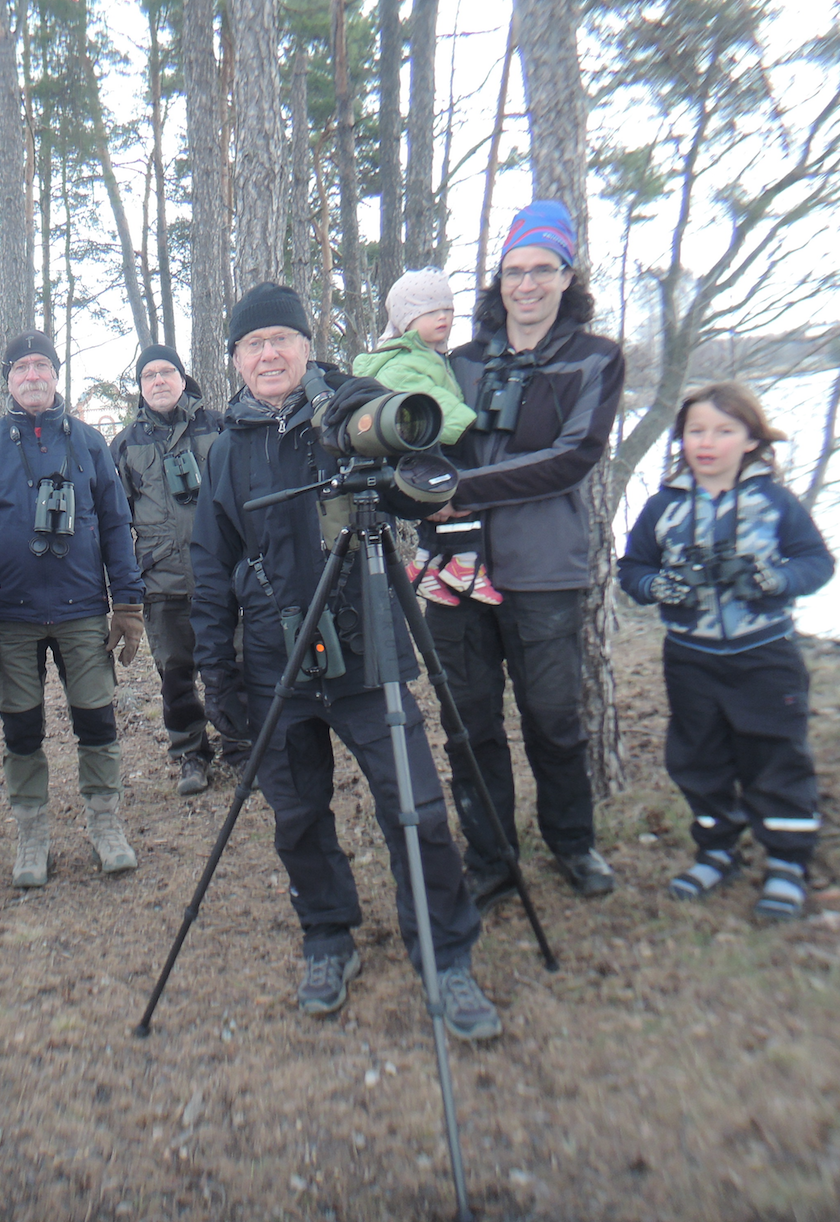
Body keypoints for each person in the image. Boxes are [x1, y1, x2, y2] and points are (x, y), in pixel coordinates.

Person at [191, 282, 498, 1039]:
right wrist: (217, 672)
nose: (268, 354)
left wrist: (382, 432)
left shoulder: (350, 409)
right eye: (252, 345)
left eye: (281, 341)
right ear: (234, 359)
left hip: (366, 647)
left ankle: (444, 956)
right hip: (274, 659)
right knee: (296, 816)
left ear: (305, 347)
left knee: (416, 809)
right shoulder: (226, 448)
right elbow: (208, 564)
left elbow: (420, 486)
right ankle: (327, 936)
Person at [434, 200, 624, 913]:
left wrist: (464, 488)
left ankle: (572, 844)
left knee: (551, 716)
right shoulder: (459, 363)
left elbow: (570, 459)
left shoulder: (593, 359)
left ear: (566, 275)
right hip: (455, 572)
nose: (526, 284)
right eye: (514, 270)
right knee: (469, 721)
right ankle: (491, 858)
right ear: (499, 279)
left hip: (544, 569)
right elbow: (426, 449)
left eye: (541, 269)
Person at [619, 383, 833, 921]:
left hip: (765, 656)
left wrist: (774, 578)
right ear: (681, 439)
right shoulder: (664, 506)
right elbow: (632, 568)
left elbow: (817, 563)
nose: (707, 442)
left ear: (751, 440)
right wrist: (656, 587)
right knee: (698, 756)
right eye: (696, 431)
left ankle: (787, 864)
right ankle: (717, 851)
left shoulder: (774, 503)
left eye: (724, 430)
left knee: (776, 755)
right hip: (690, 659)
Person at [0, 331, 145, 889]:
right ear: (8, 379)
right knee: (21, 729)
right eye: (21, 368)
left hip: (81, 608)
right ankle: (31, 835)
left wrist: (127, 603)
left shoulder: (88, 443)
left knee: (96, 719)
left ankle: (106, 825)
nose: (33, 375)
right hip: (7, 614)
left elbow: (116, 525)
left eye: (42, 365)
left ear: (56, 375)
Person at [108, 343, 244, 797]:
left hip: (222, 576)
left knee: (231, 664)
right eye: (149, 376)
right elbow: (114, 520)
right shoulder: (125, 445)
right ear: (141, 387)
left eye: (167, 372)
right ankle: (191, 753)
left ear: (183, 379)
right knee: (175, 673)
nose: (159, 381)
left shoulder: (221, 428)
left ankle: (242, 746)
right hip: (162, 581)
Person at [352, 267, 500, 607]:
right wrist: (473, 424)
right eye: (430, 312)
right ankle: (462, 565)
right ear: (407, 319)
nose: (443, 318)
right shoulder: (404, 360)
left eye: (447, 310)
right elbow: (433, 404)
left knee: (446, 504)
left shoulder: (429, 355)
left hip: (429, 448)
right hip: (429, 446)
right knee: (463, 491)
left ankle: (426, 566)